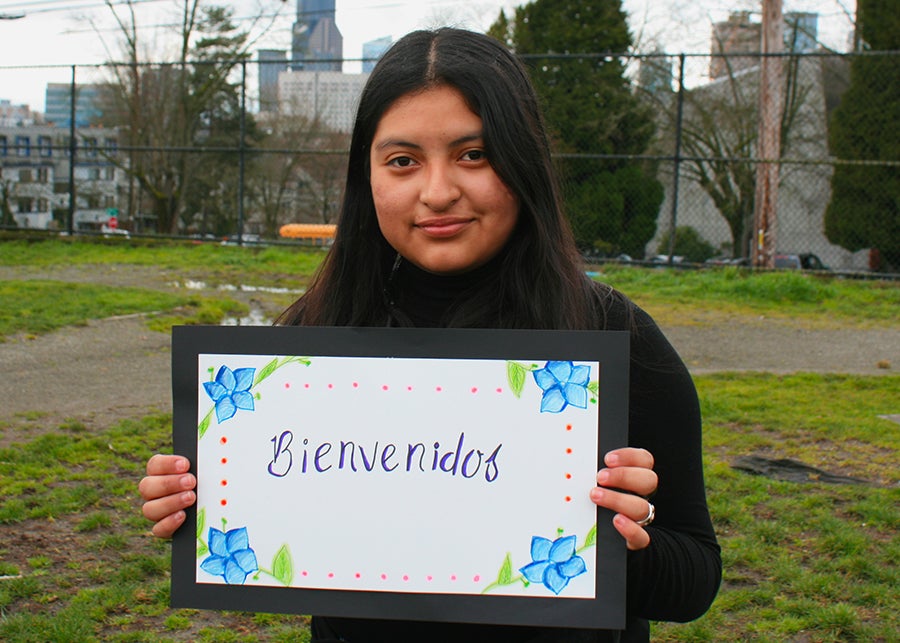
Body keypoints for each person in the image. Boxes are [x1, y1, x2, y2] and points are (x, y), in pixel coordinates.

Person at [139, 27, 721, 642]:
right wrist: (192, 500)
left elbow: (696, 580)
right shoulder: (308, 345)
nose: (438, 191)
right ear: (367, 179)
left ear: (522, 162)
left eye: (474, 154)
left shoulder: (614, 337)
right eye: (402, 161)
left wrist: (630, 540)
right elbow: (263, 519)